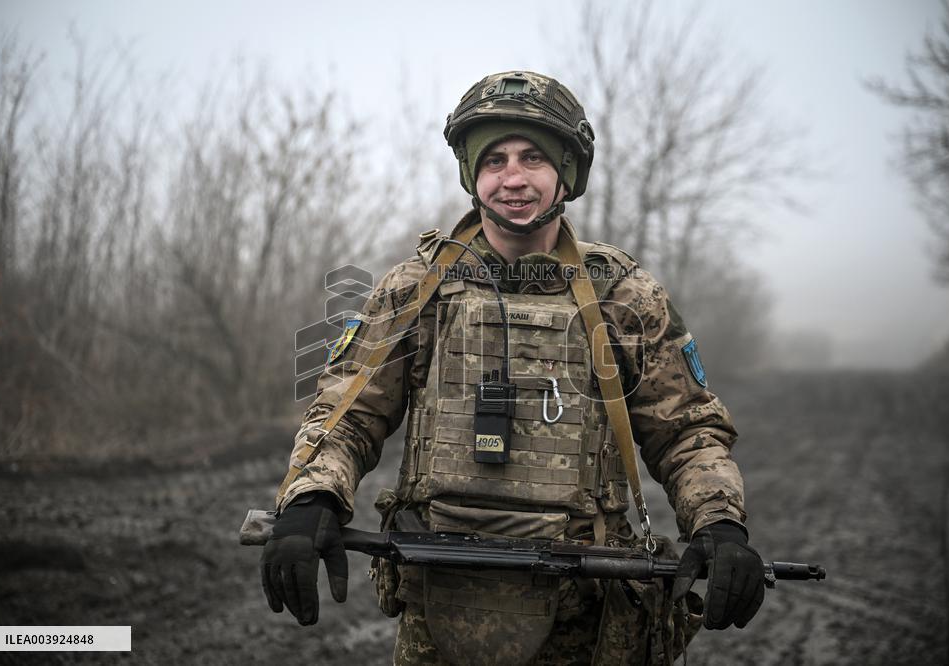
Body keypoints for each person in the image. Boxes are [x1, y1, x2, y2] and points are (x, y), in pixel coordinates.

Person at [259, 70, 765, 665]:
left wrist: (718, 524)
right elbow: (347, 417)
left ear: (566, 173)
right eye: (494, 159)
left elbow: (686, 433)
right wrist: (310, 501)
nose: (513, 178)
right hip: (438, 609)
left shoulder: (624, 297)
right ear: (473, 173)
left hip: (589, 615)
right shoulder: (416, 291)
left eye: (533, 158)